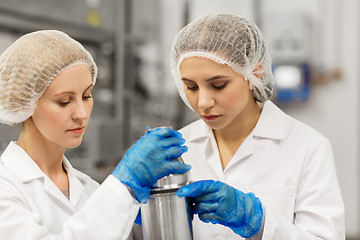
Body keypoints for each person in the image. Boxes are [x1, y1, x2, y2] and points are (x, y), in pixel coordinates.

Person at [0, 30, 190, 239]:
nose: (82, 114)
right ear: (25, 101)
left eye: (87, 95)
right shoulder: (6, 185)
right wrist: (123, 187)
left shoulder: (90, 188)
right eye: (64, 101)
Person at [169, 13, 345, 239]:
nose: (203, 102)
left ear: (254, 73)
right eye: (191, 87)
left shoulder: (308, 147)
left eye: (218, 85)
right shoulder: (179, 148)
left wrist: (260, 222)